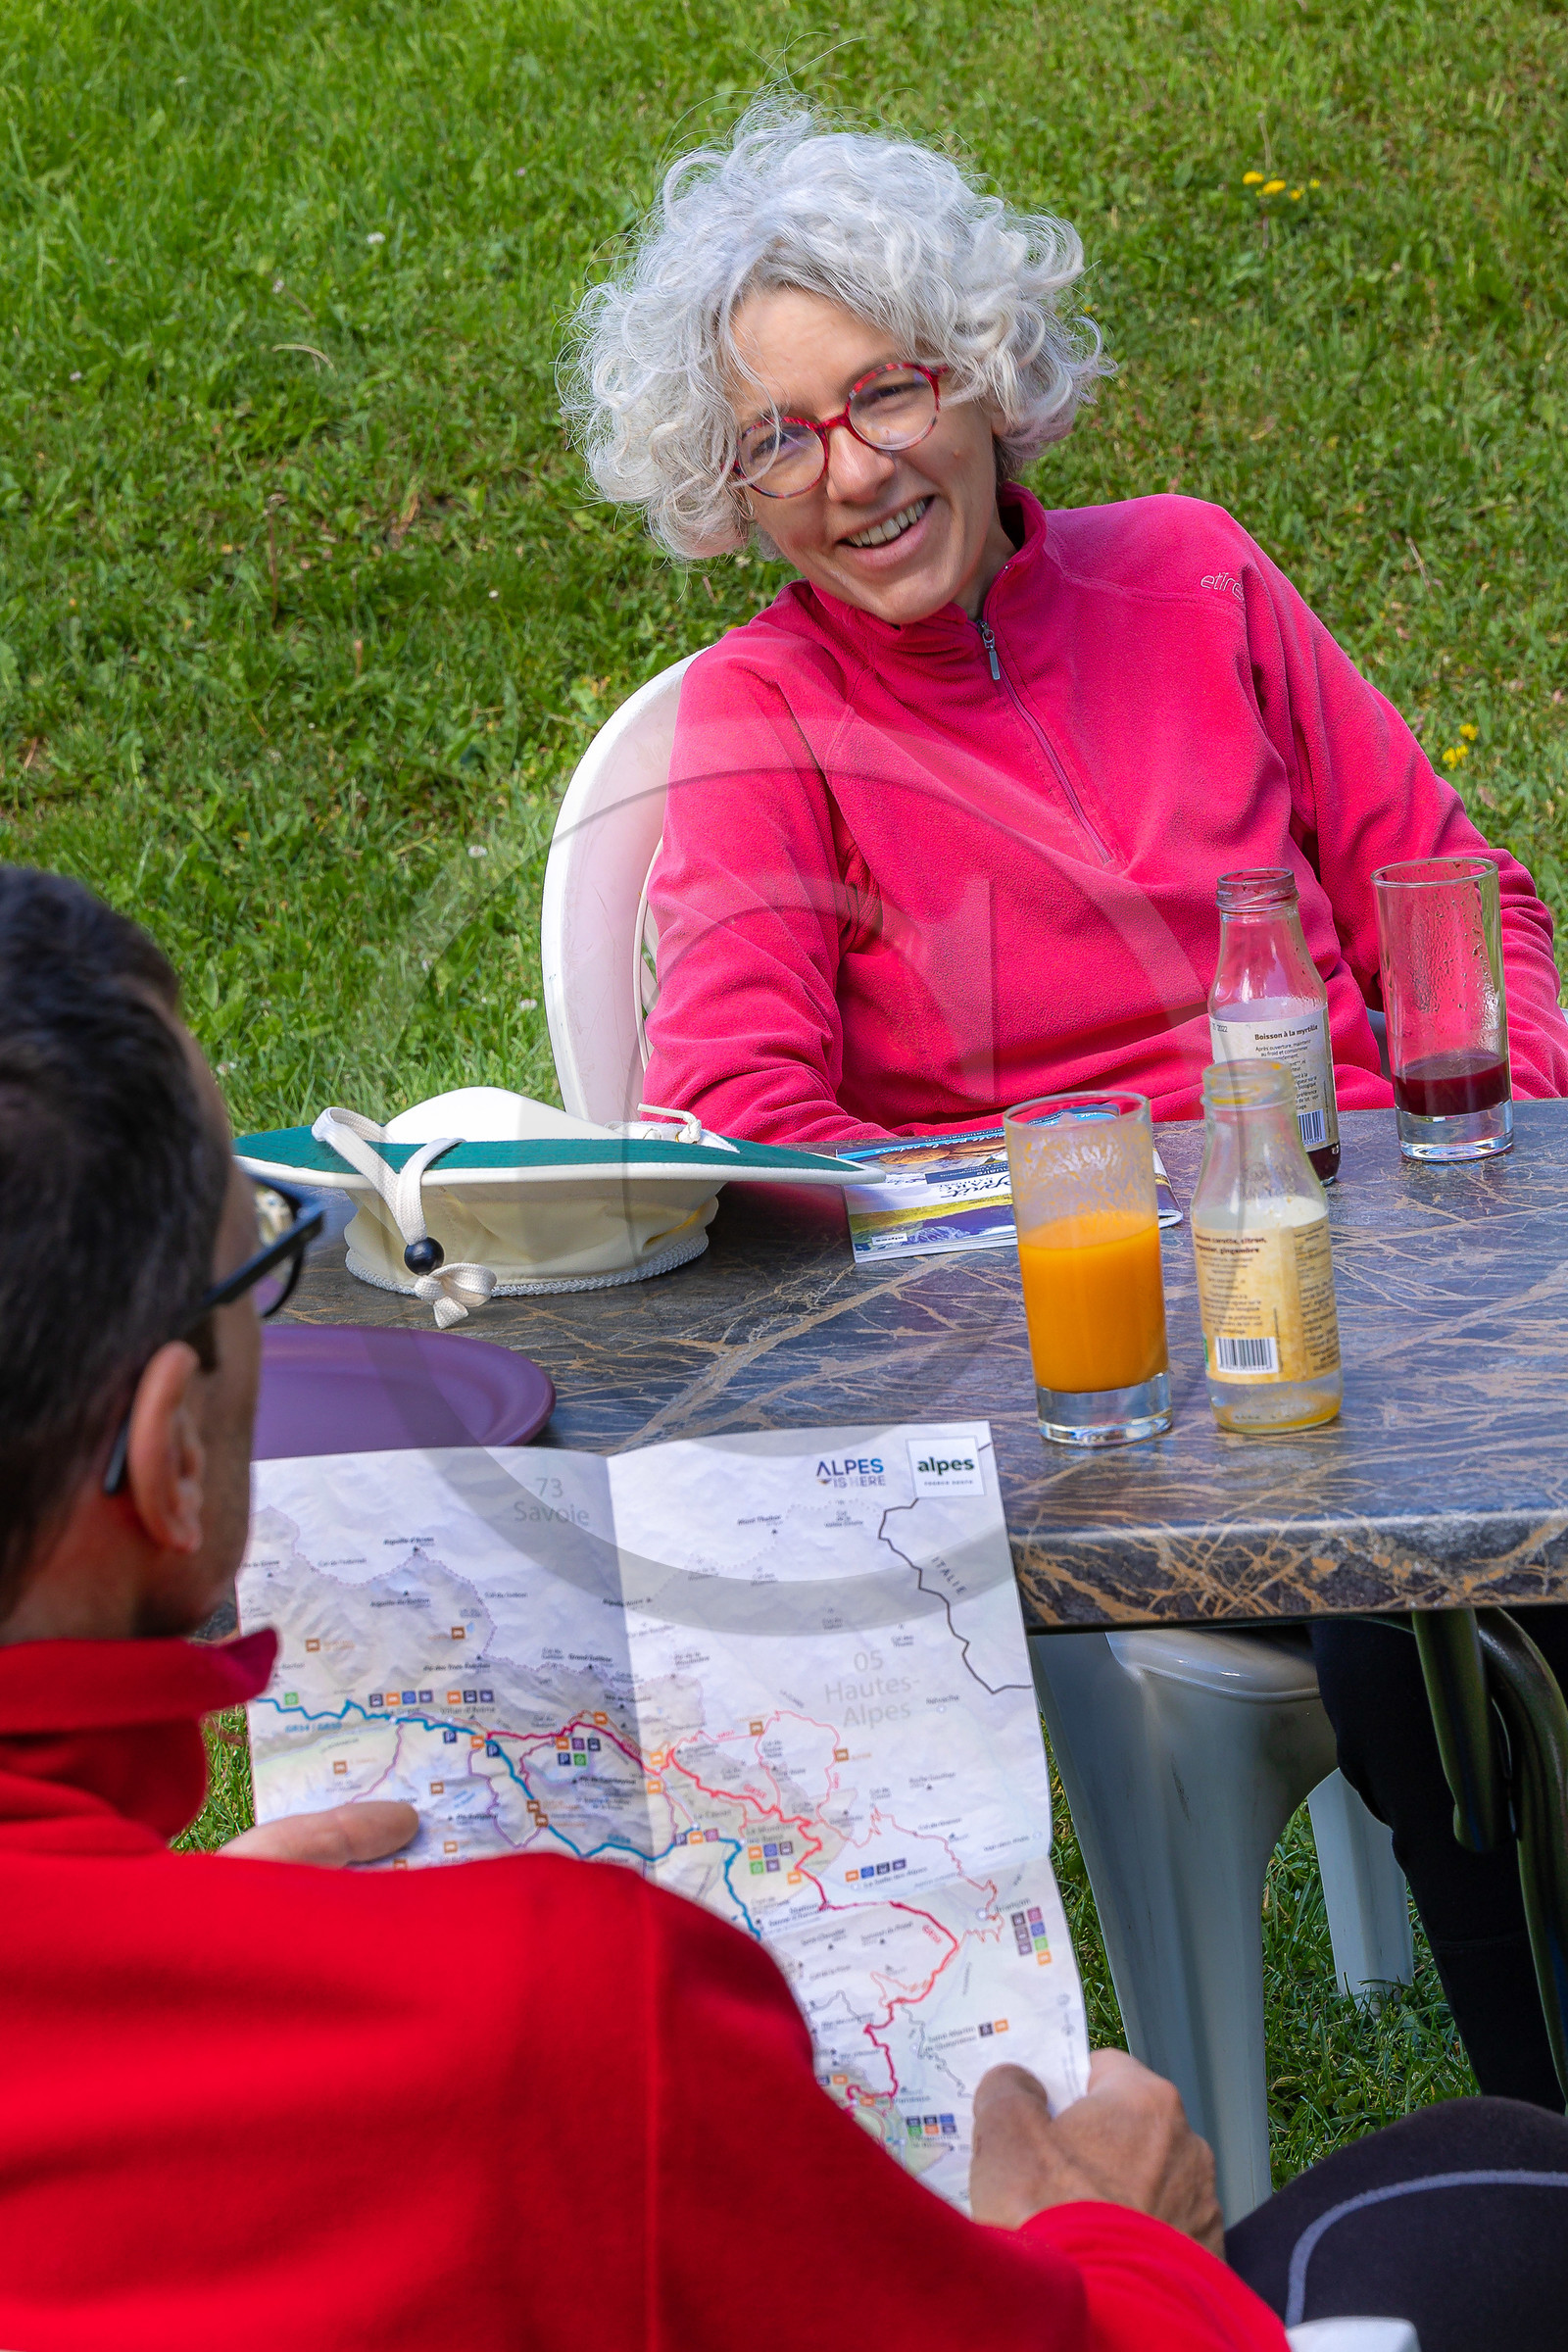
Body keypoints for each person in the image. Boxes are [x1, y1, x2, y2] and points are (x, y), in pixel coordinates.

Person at [4, 866, 1568, 2352]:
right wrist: (1112, 2236)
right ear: (170, 1461)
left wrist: (187, 1957)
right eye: (263, 1268)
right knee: (1492, 2201)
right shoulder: (545, 2025)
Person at [564, 104, 1568, 2116]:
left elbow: (1463, 914)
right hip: (1103, 1384)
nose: (848, 469)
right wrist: (1094, 1212)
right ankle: (1534, 2135)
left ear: (981, 383)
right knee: (1422, 1626)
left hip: (1414, 1296)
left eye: (884, 393)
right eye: (780, 435)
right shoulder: (764, 725)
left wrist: (1489, 1187)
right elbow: (745, 1136)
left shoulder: (1189, 571)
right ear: (730, 487)